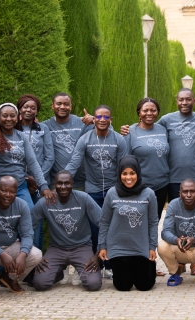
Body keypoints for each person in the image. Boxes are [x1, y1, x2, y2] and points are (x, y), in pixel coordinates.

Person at [120, 89, 195, 276]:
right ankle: (177, 260)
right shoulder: (166, 121)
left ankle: (194, 263)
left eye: (188, 99)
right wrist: (126, 129)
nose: (149, 114)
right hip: (170, 180)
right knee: (172, 221)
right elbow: (141, 134)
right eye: (145, 111)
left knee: (194, 220)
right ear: (176, 101)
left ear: (194, 100)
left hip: (188, 179)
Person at [42, 92, 98, 284]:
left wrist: (94, 120)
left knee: (81, 223)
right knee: (57, 224)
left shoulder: (81, 122)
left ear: (71, 105)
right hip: (55, 185)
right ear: (52, 106)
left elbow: (105, 130)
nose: (62, 107)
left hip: (81, 182)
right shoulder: (45, 126)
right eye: (59, 104)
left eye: (66, 104)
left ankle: (81, 266)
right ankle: (62, 268)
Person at [31, 171, 102, 291]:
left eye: (67, 183)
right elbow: (27, 227)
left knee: (93, 284)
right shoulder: (46, 202)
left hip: (82, 246)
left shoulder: (83, 198)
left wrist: (98, 254)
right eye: (59, 183)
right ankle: (58, 273)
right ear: (54, 185)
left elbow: (103, 223)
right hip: (57, 248)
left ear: (72, 184)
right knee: (39, 284)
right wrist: (34, 254)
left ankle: (81, 272)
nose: (63, 187)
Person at [0, 176, 42, 295]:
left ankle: (9, 278)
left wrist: (23, 254)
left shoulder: (22, 205)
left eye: (12, 192)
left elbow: (27, 234)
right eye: (4, 190)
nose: (8, 195)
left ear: (16, 192)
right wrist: (1, 254)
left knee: (36, 255)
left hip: (11, 246)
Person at [98, 155, 158, 291]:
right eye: (124, 173)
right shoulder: (112, 193)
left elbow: (153, 222)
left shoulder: (148, 194)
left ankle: (148, 266)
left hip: (140, 247)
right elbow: (104, 222)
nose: (128, 177)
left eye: (132, 173)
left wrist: (152, 247)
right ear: (119, 174)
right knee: (123, 286)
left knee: (145, 286)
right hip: (118, 248)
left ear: (138, 173)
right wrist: (102, 246)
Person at [0, 102, 53, 204]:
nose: (9, 119)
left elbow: (32, 162)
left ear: (17, 118)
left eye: (12, 116)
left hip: (20, 187)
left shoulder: (22, 137)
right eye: (5, 116)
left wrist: (43, 185)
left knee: (30, 215)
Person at [66, 105, 127, 207]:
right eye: (98, 117)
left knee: (114, 222)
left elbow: (123, 165)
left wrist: (124, 188)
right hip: (92, 190)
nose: (102, 120)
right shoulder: (84, 139)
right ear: (93, 119)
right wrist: (63, 179)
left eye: (106, 117)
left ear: (111, 120)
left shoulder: (119, 139)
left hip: (114, 189)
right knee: (93, 221)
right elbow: (74, 162)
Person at [15, 94, 54, 251]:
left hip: (40, 183)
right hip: (18, 182)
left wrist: (37, 179)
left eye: (33, 108)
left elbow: (50, 157)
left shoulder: (43, 129)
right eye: (25, 107)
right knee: (20, 219)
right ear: (20, 109)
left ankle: (35, 259)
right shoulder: (13, 128)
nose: (29, 110)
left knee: (37, 220)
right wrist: (25, 179)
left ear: (37, 111)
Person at [124, 98, 170, 221]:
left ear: (158, 112)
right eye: (145, 110)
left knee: (155, 220)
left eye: (153, 110)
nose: (149, 113)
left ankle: (152, 241)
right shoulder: (130, 132)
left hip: (162, 184)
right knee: (139, 220)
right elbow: (126, 161)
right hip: (140, 186)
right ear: (139, 112)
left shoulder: (163, 130)